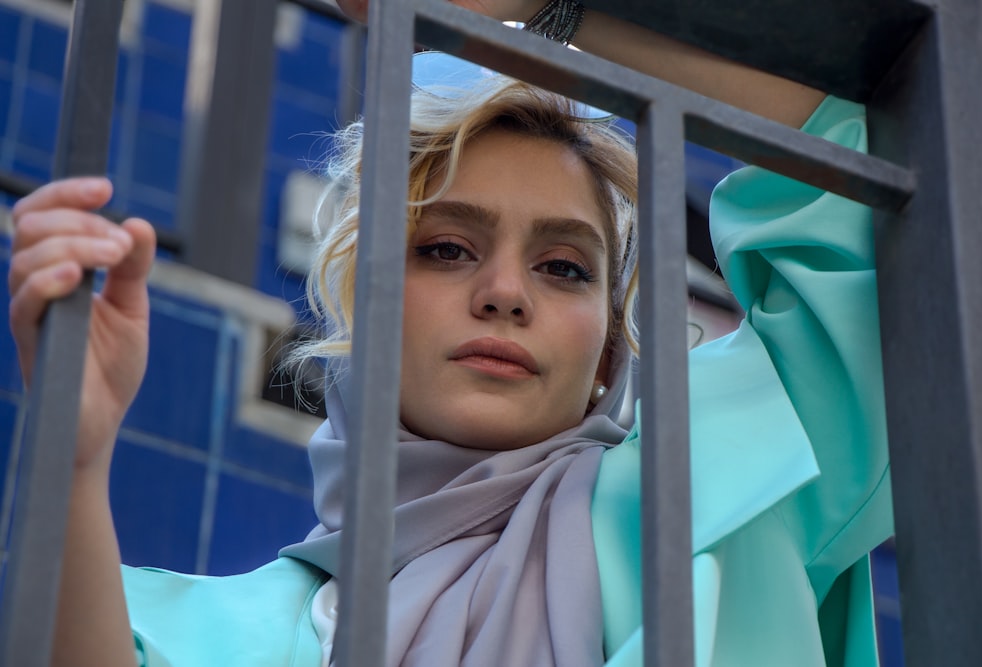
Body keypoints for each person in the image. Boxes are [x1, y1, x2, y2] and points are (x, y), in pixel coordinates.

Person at [7, 1, 892, 666]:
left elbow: (882, 176)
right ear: (363, 310)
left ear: (608, 352)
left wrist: (545, 6)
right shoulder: (201, 636)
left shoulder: (720, 489)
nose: (506, 292)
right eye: (446, 248)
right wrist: (74, 460)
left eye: (563, 267)